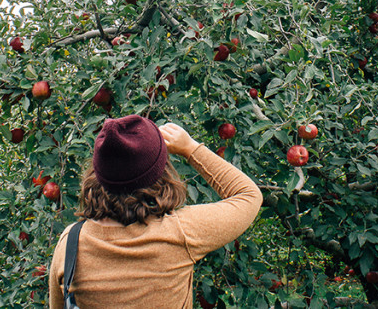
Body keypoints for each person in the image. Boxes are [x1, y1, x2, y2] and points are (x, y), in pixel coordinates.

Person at [48, 115, 262, 308]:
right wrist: (190, 148)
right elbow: (249, 195)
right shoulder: (181, 232)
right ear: (162, 174)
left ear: (97, 174)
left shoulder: (71, 244)